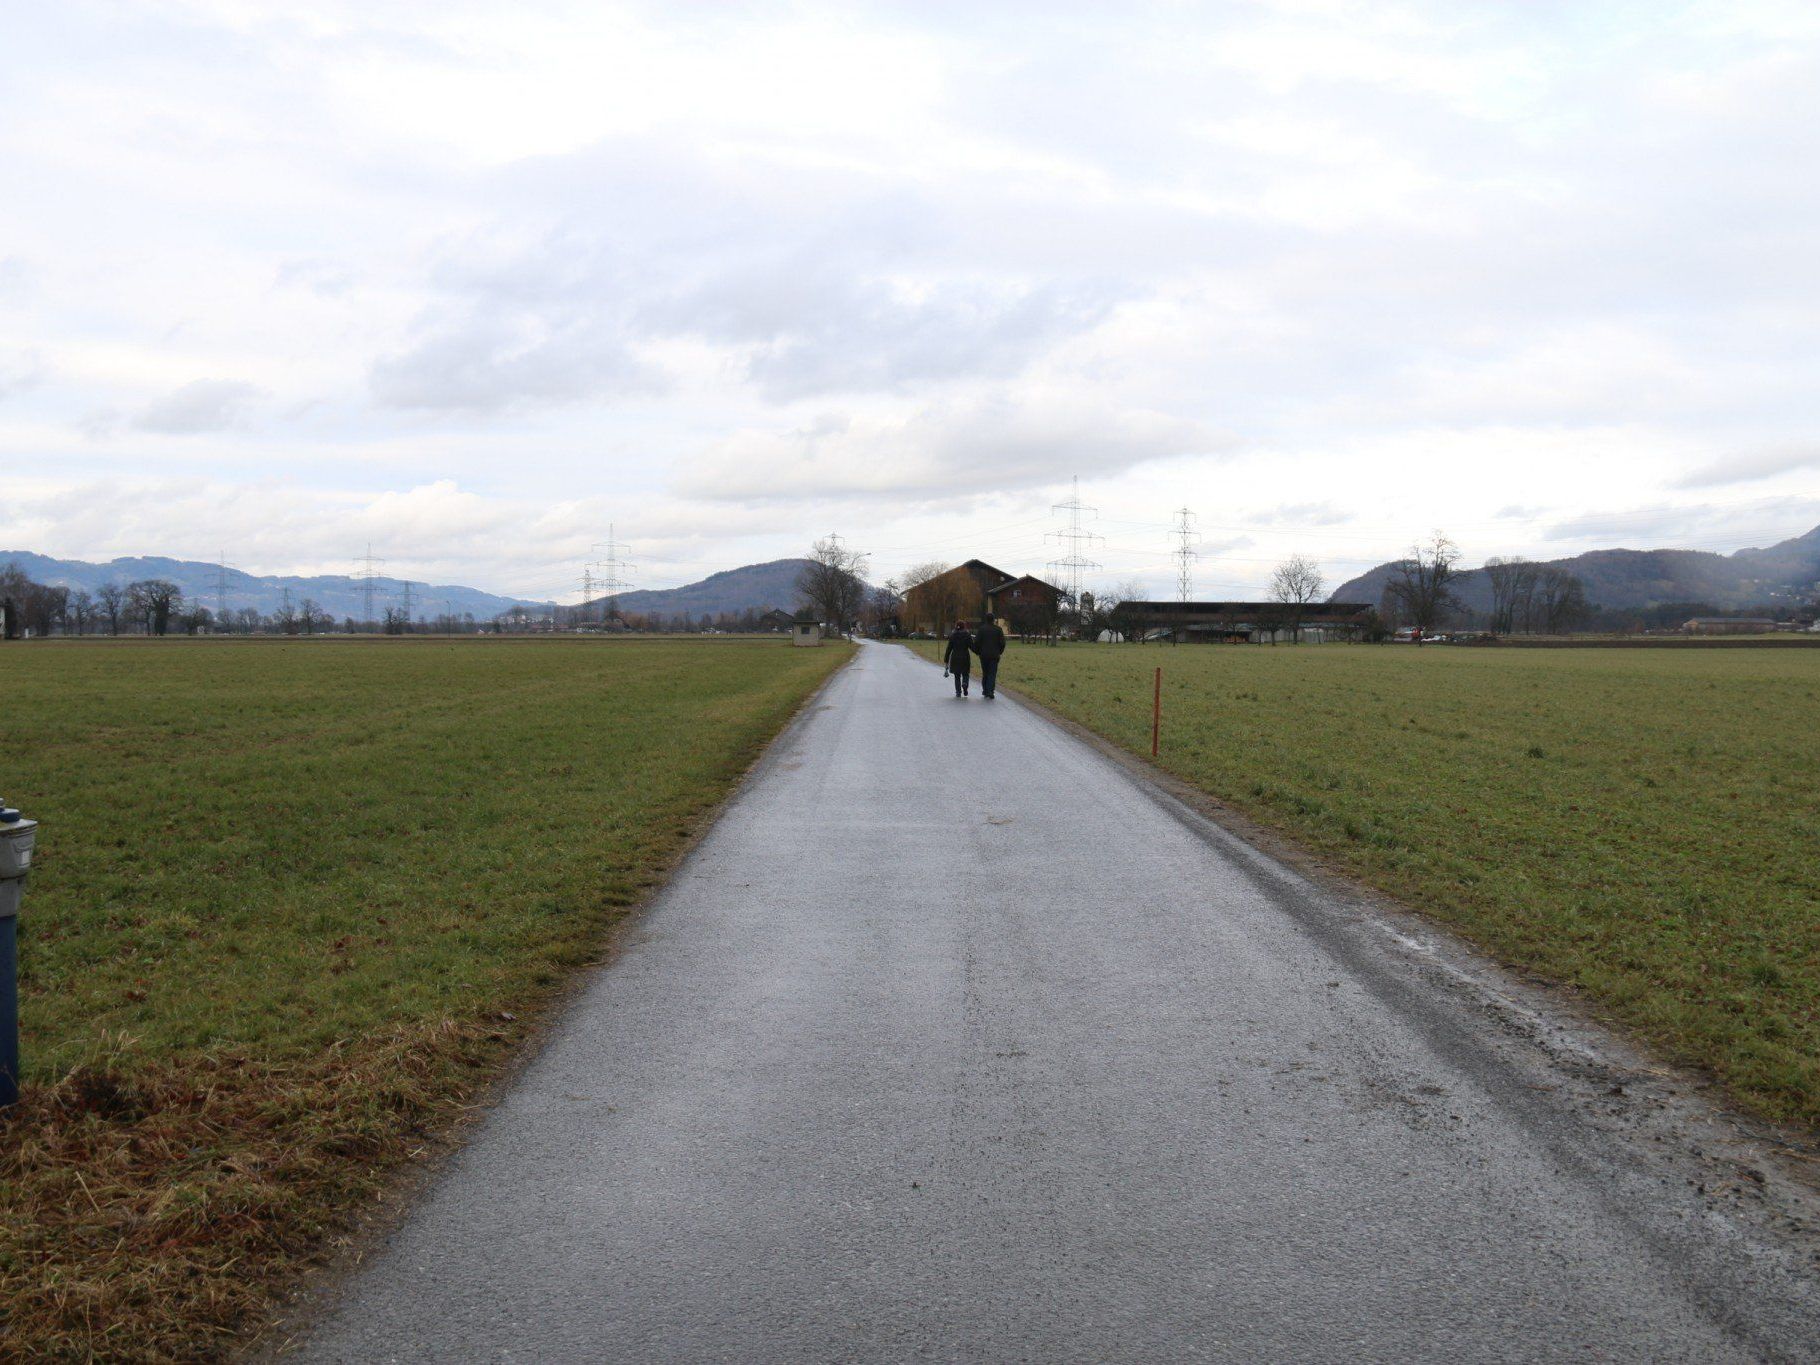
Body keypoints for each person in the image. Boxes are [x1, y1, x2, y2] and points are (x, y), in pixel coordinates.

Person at [972, 614, 1007, 699]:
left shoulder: (981, 629)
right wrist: (999, 652)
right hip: (994, 655)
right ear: (993, 620)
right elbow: (1002, 643)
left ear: (986, 619)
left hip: (983, 655)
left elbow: (976, 643)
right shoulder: (998, 630)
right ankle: (990, 691)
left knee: (985, 673)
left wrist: (978, 652)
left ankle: (985, 690)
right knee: (992, 673)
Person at [943, 620, 973, 697]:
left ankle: (958, 692)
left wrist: (946, 659)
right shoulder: (967, 634)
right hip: (965, 657)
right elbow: (972, 646)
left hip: (955, 657)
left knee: (957, 675)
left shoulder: (953, 635)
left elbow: (949, 648)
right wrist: (979, 651)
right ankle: (965, 684)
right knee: (965, 673)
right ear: (964, 626)